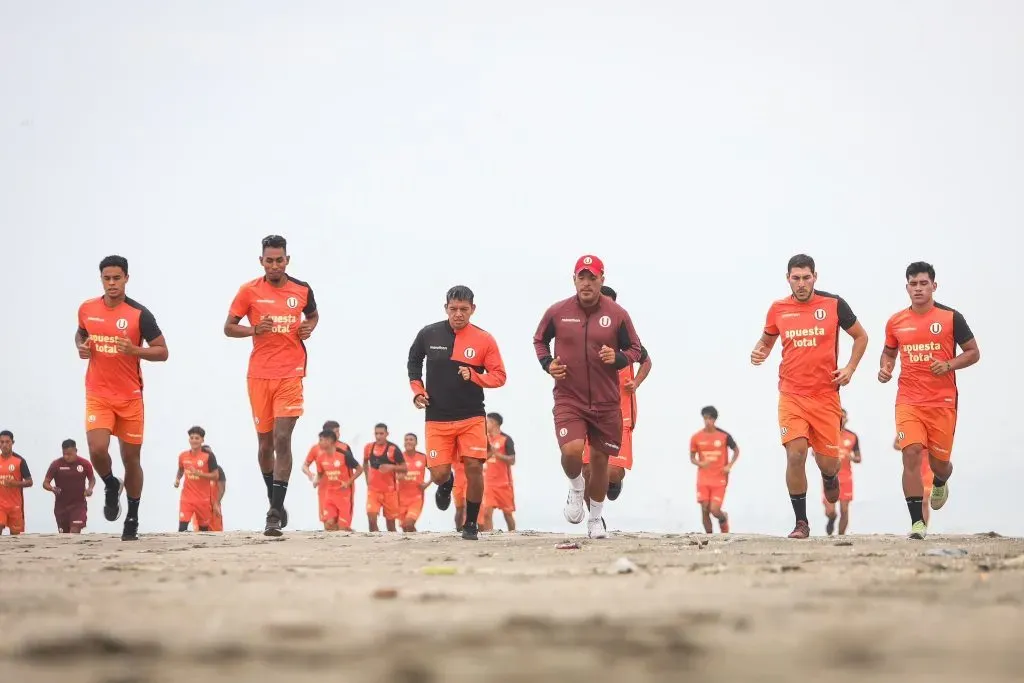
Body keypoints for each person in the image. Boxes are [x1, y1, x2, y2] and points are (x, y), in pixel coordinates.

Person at [750, 253, 868, 539]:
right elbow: (766, 340)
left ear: (815, 276)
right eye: (795, 278)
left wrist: (850, 368)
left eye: (806, 278)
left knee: (828, 462)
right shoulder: (778, 309)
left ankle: (829, 477)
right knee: (795, 454)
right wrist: (759, 352)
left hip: (826, 396)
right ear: (788, 279)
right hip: (791, 395)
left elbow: (861, 336)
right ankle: (801, 522)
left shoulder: (833, 304)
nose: (801, 284)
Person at [533, 255, 643, 539]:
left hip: (607, 403)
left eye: (592, 277)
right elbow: (539, 340)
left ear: (601, 280)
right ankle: (575, 485)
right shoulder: (558, 312)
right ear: (574, 280)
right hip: (570, 398)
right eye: (581, 277)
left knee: (600, 465)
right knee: (571, 453)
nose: (586, 282)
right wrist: (548, 364)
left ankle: (595, 519)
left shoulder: (618, 314)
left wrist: (618, 358)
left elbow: (636, 349)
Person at [224, 234, 318, 537]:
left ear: (287, 260)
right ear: (261, 261)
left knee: (281, 439)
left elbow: (313, 315)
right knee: (264, 444)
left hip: (290, 373)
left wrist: (308, 327)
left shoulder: (301, 290)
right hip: (259, 376)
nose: (275, 265)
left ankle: (274, 513)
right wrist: (253, 329)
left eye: (280, 260)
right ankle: (273, 496)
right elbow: (228, 328)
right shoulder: (248, 291)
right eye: (269, 260)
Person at [878, 261, 980, 540]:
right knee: (909, 453)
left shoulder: (950, 318)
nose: (919, 289)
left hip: (942, 401)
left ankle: (941, 480)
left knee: (939, 464)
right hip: (908, 399)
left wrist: (948, 365)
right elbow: (888, 353)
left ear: (934, 286)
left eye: (924, 283)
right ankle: (917, 523)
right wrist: (885, 368)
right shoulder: (896, 321)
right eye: (914, 284)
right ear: (906, 287)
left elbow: (973, 352)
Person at [76, 255, 168, 541]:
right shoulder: (87, 309)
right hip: (98, 394)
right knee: (98, 449)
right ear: (101, 279)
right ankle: (109, 484)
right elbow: (80, 335)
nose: (112, 283)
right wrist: (81, 347)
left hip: (129, 397)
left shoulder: (140, 314)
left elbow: (162, 351)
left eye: (117, 278)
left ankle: (132, 517)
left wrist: (135, 351)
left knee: (131, 458)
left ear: (127, 278)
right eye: (107, 278)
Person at [408, 285, 508, 541]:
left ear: (473, 309)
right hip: (437, 417)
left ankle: (471, 524)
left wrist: (474, 375)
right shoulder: (429, 334)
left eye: (464, 309)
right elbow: (414, 360)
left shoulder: (485, 339)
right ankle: (446, 482)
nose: (458, 314)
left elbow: (499, 376)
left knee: (474, 467)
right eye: (453, 309)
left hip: (471, 416)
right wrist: (417, 390)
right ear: (446, 308)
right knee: (439, 473)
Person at [582, 285, 652, 503]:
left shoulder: (627, 337)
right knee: (587, 471)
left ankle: (614, 480)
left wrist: (636, 383)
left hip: (621, 414)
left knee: (611, 471)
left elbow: (646, 361)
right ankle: (595, 519)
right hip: (590, 413)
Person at [689, 406, 739, 534]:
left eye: (710, 418)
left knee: (715, 510)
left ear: (714, 420)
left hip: (719, 477)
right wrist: (701, 463)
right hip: (703, 478)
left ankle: (723, 520)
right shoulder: (696, 437)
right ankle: (709, 538)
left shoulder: (724, 436)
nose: (707, 421)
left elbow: (736, 450)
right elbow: (692, 458)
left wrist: (729, 466)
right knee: (704, 508)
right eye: (705, 418)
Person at [302, 420, 360, 526]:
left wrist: (348, 482)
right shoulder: (316, 449)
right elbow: (305, 466)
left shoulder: (344, 448)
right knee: (328, 522)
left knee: (342, 524)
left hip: (343, 490)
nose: (338, 434)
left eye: (338, 432)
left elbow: (356, 467)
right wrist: (311, 476)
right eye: (336, 432)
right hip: (325, 490)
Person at [42, 439, 95, 534]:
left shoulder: (84, 463)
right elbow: (45, 483)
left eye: (69, 454)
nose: (66, 457)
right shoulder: (56, 464)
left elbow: (92, 479)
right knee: (64, 535)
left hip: (78, 505)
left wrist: (90, 488)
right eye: (64, 454)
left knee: (74, 531)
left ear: (76, 451)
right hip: (61, 506)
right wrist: (52, 488)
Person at [822, 409, 861, 536]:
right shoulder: (827, 434)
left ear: (847, 419)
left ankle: (840, 536)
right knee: (830, 511)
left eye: (844, 417)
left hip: (846, 478)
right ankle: (832, 519)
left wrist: (851, 457)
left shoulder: (853, 436)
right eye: (839, 417)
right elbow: (815, 452)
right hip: (830, 476)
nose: (842, 419)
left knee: (844, 510)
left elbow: (858, 458)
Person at [174, 427, 220, 532]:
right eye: (192, 438)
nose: (194, 440)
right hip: (187, 498)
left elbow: (215, 476)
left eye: (197, 438)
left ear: (202, 440)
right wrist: (177, 479)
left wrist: (199, 474)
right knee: (182, 528)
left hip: (203, 500)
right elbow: (181, 469)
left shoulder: (208, 456)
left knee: (203, 530)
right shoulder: (183, 456)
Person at [363, 424, 406, 532]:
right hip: (373, 491)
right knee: (371, 518)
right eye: (376, 433)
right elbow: (365, 463)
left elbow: (404, 468)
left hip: (389, 492)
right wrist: (367, 478)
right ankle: (375, 544)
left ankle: (391, 546)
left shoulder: (393, 449)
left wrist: (391, 467)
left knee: (390, 525)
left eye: (381, 433)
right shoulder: (368, 447)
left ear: (387, 434)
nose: (378, 436)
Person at [481, 412, 516, 532]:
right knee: (486, 513)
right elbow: (481, 458)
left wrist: (497, 454)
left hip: (503, 483)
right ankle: (488, 536)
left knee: (508, 514)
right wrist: (490, 452)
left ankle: (513, 535)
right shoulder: (484, 439)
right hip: (488, 482)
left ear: (494, 423)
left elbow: (512, 460)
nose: (485, 424)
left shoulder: (506, 439)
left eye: (487, 422)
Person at [893, 437, 933, 526]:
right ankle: (918, 525)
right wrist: (910, 448)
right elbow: (896, 444)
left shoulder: (931, 426)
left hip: (928, 468)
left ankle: (924, 527)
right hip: (913, 466)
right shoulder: (909, 425)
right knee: (916, 499)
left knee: (925, 501)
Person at [0, 431, 33, 535]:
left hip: (15, 505)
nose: (4, 445)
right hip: (1, 504)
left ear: (12, 442)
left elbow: (29, 482)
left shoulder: (19, 461)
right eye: (1, 442)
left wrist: (15, 484)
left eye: (7, 442)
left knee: (16, 537)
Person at [398, 433, 430, 533]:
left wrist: (427, 484)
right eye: (406, 439)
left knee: (409, 523)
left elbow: (435, 471)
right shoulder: (399, 458)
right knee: (404, 527)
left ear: (416, 442)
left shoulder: (422, 457)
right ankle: (412, 545)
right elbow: (390, 474)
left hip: (416, 497)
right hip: (400, 498)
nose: (408, 441)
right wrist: (397, 477)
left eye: (411, 439)